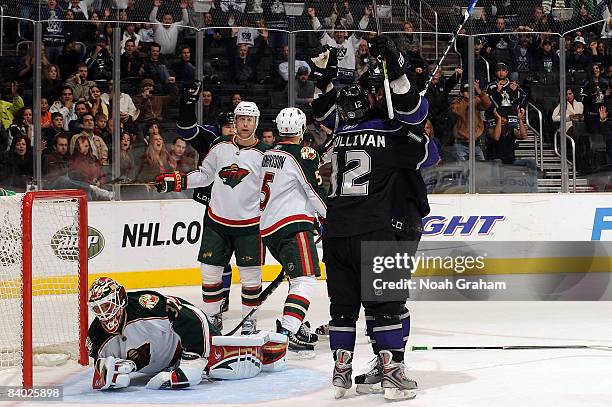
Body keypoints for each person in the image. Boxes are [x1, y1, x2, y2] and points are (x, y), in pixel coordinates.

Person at [312, 37, 428, 400]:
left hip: (336, 231)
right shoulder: (391, 133)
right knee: (388, 302)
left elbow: (321, 111)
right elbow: (423, 137)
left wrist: (324, 75)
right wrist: (400, 74)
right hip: (378, 227)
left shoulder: (341, 137)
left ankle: (341, 373)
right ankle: (392, 370)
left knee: (342, 308)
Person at [156, 91, 270, 334]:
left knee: (251, 277)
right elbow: (205, 175)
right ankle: (212, 319)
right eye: (241, 119)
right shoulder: (219, 147)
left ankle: (249, 322)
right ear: (235, 122)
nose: (245, 124)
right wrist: (179, 182)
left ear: (256, 123)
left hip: (250, 226)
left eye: (250, 120)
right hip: (217, 222)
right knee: (209, 272)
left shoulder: (265, 155)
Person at [86, 277, 288, 391]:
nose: (103, 314)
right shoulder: (96, 337)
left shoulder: (147, 306)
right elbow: (99, 373)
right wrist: (108, 374)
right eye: (97, 309)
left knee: (219, 364)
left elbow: (193, 317)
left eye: (107, 305)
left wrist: (192, 362)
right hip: (160, 361)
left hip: (182, 341)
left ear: (120, 299)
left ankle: (267, 348)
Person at [260, 107, 327, 352]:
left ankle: (294, 325)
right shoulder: (303, 153)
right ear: (301, 129)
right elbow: (313, 188)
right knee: (306, 280)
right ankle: (286, 332)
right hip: (293, 225)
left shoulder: (269, 153)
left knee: (297, 277)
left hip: (269, 227)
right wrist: (329, 216)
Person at [174, 83, 235, 315]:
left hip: (243, 207)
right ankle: (223, 296)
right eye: (227, 126)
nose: (231, 130)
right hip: (215, 205)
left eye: (234, 125)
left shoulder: (248, 143)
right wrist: (187, 104)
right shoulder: (212, 138)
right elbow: (187, 129)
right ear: (220, 127)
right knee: (218, 254)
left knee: (241, 255)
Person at [450, 82, 491, 161]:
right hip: (461, 144)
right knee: (463, 170)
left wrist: (479, 92)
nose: (469, 93)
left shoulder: (476, 101)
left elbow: (487, 104)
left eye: (471, 91)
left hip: (476, 144)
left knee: (482, 167)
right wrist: (466, 100)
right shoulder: (456, 102)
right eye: (467, 91)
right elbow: (458, 111)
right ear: (461, 93)